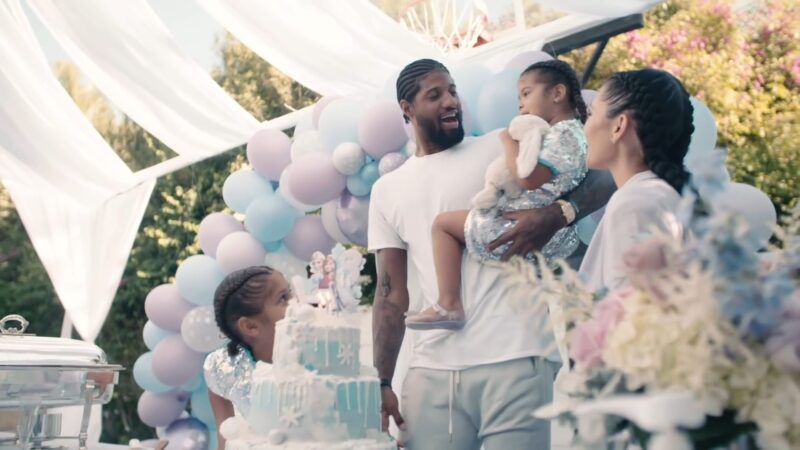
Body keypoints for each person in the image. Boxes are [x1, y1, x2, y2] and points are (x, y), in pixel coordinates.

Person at [369, 58, 615, 450]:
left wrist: (555, 215)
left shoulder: (506, 145)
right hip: (430, 372)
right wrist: (381, 381)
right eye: (435, 95)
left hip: (518, 359)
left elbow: (603, 175)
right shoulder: (387, 190)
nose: (451, 101)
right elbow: (388, 292)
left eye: (452, 91)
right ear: (407, 108)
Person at [405, 59, 588, 330]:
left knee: (443, 225)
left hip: (512, 227)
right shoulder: (574, 134)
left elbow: (527, 177)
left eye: (526, 94)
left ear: (558, 94)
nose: (520, 105)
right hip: (555, 237)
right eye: (519, 97)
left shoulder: (561, 135)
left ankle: (448, 304)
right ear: (407, 108)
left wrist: (508, 142)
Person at [579, 68, 693, 291]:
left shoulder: (634, 203)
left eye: (591, 114)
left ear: (619, 125)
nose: (585, 126)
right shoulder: (661, 194)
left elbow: (634, 314)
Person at [203, 266, 293, 449]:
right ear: (250, 326)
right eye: (283, 298)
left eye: (291, 294)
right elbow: (225, 438)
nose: (296, 304)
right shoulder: (223, 368)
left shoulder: (319, 351)